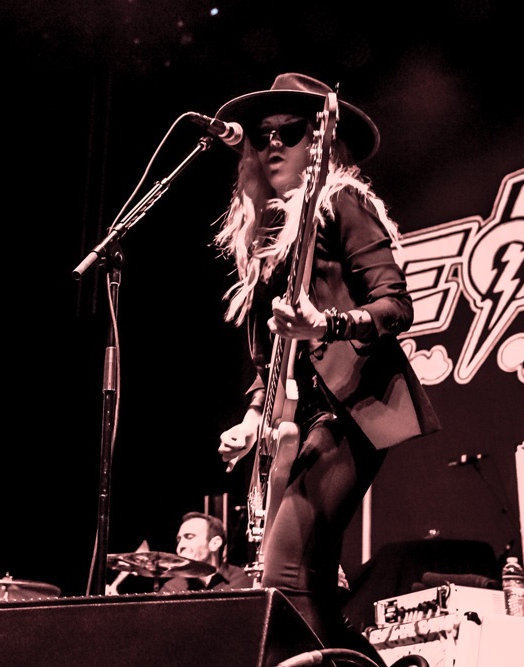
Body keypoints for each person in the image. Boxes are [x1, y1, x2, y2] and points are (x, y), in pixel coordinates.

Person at [210, 73, 441, 658]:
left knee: (283, 580)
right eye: (261, 137)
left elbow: (396, 304)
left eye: (291, 131)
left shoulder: (341, 201)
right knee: (304, 583)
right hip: (301, 417)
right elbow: (275, 357)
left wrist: (328, 325)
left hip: (354, 408)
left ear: (322, 141)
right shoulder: (269, 237)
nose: (273, 145)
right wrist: (254, 417)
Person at [160, 512, 254, 592]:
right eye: (179, 540)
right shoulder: (171, 589)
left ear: (215, 543)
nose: (180, 546)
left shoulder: (245, 581)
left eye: (189, 537)